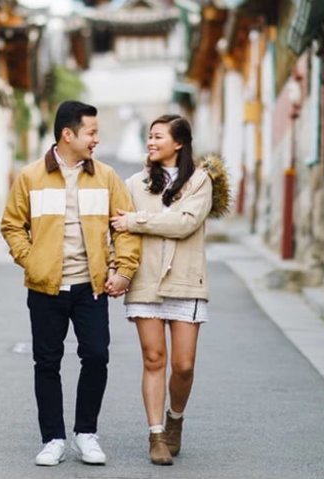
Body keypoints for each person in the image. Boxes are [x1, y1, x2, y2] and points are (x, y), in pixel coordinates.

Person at [0, 100, 141, 467]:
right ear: (68, 134)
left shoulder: (106, 177)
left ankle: (86, 433)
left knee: (96, 355)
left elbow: (124, 228)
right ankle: (53, 439)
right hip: (45, 289)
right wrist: (32, 261)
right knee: (46, 362)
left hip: (90, 288)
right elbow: (12, 225)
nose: (96, 139)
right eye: (91, 132)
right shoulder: (31, 177)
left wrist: (123, 270)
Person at [110, 114, 229, 465]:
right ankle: (157, 434)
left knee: (184, 365)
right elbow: (119, 233)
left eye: (158, 136)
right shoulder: (135, 184)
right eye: (149, 136)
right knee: (153, 359)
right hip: (145, 281)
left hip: (186, 281)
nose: (151, 142)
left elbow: (185, 224)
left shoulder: (201, 182)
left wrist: (136, 221)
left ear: (179, 143)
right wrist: (118, 269)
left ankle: (175, 417)